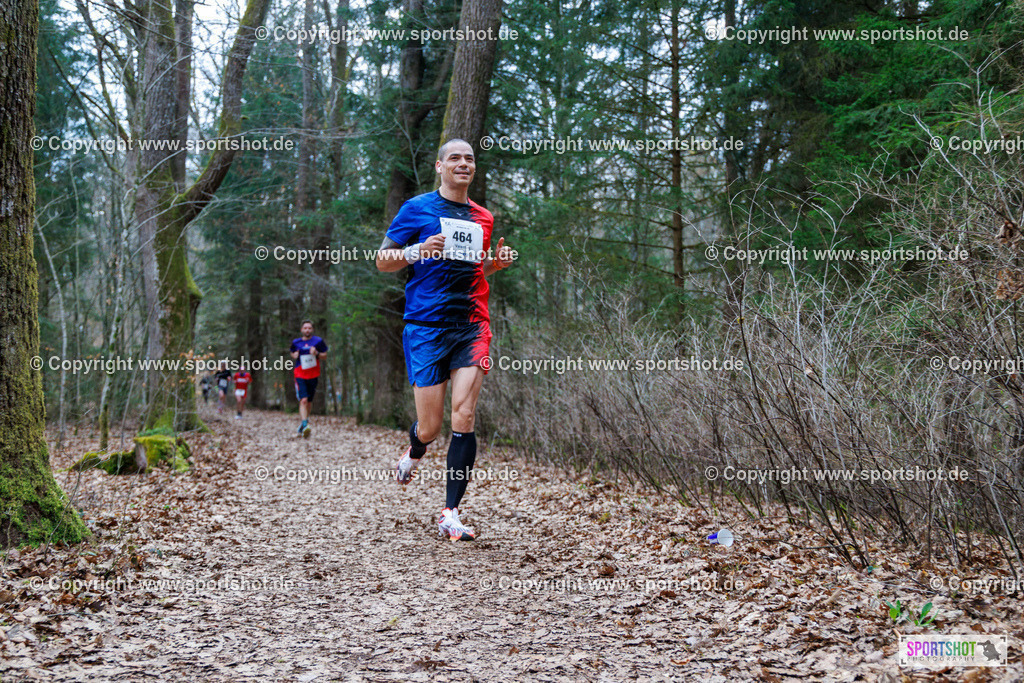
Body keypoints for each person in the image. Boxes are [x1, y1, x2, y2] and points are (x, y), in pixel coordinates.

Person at [375, 138, 515, 542]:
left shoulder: (483, 217)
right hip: (425, 326)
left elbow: (476, 269)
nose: (463, 163)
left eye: (469, 159)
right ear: (440, 166)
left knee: (464, 416)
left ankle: (450, 512)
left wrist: (495, 264)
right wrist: (418, 250)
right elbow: (383, 261)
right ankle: (415, 450)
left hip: (472, 324)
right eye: (455, 158)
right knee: (431, 427)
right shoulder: (416, 209)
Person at [289, 320, 328, 438]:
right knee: (303, 400)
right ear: (301, 330)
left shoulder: (318, 341)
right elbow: (292, 352)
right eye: (305, 328)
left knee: (309, 402)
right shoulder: (296, 342)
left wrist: (316, 353)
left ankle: (303, 423)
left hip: (313, 374)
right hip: (300, 374)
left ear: (312, 330)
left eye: (309, 328)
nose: (307, 330)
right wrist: (294, 355)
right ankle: (305, 425)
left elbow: (325, 356)